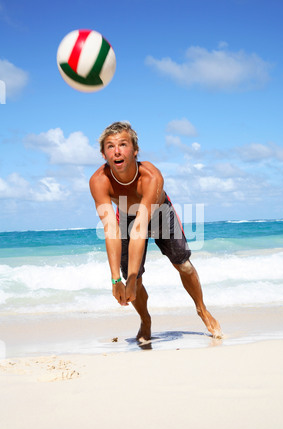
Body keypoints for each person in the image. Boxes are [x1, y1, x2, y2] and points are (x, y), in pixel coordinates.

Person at [89, 121, 222, 341]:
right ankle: (145, 319)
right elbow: (111, 229)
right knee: (134, 279)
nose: (117, 150)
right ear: (103, 154)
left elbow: (141, 229)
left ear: (135, 151)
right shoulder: (99, 181)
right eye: (110, 146)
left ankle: (201, 309)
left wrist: (129, 278)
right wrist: (117, 280)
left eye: (123, 144)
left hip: (159, 212)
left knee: (184, 265)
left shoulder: (151, 177)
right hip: (127, 216)